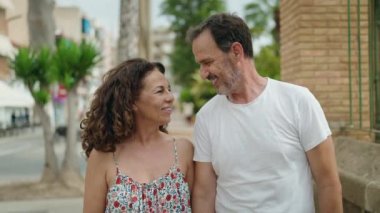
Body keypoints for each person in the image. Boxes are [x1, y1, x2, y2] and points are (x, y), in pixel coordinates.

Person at [187, 13, 343, 212]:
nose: (203, 73)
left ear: (236, 51)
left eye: (207, 62)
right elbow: (204, 193)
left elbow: (328, 182)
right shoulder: (206, 118)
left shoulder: (298, 101)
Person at [81, 58, 193, 212]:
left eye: (169, 89)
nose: (170, 97)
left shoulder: (183, 150)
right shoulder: (103, 156)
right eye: (160, 91)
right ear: (131, 101)